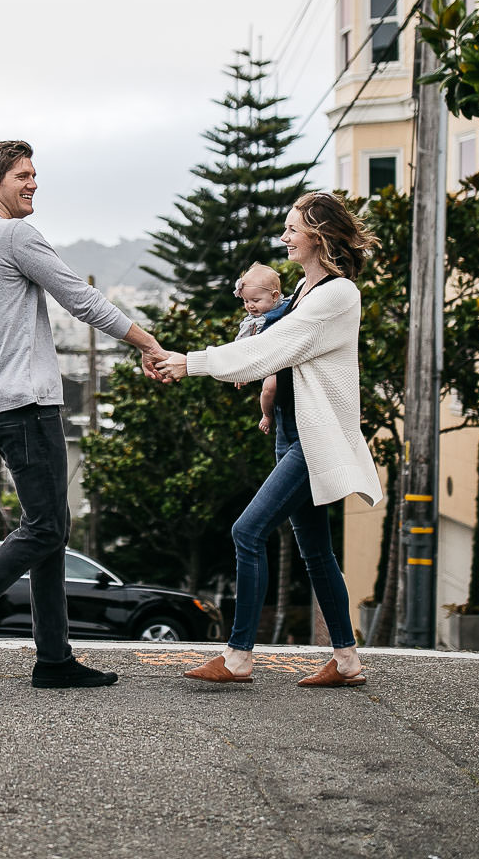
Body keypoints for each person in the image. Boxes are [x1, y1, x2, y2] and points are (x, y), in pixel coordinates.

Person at [0, 140, 172, 691]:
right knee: (45, 527)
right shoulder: (14, 235)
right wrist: (148, 343)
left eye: (34, 175)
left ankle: (53, 657)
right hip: (28, 407)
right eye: (22, 176)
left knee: (51, 528)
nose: (31, 184)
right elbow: (79, 297)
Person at [155, 192, 382, 687]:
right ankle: (347, 662)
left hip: (314, 441)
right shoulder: (305, 288)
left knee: (247, 531)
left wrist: (191, 362)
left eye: (292, 229)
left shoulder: (336, 295)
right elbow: (267, 347)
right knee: (317, 553)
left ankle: (238, 658)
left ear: (318, 235)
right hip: (290, 432)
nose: (284, 237)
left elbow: (276, 345)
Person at [232, 263, 288, 434]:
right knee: (269, 387)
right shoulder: (253, 322)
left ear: (275, 296)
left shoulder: (289, 305)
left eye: (256, 301)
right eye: (246, 301)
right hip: (271, 364)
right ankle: (266, 414)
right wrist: (243, 371)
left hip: (288, 357)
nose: (250, 306)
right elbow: (243, 346)